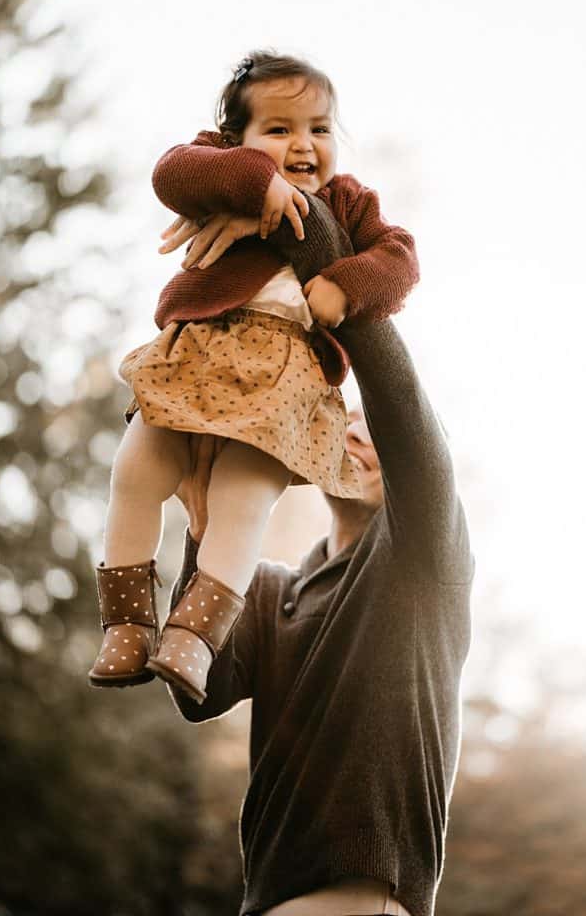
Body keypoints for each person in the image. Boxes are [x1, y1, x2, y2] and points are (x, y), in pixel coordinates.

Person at [166, 195, 474, 916]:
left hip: (360, 897)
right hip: (268, 900)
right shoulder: (273, 589)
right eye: (345, 425)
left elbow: (398, 401)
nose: (358, 435)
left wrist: (297, 221)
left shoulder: (421, 560)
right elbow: (200, 692)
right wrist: (204, 524)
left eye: (374, 432)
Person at [88, 50, 419, 708]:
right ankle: (127, 622)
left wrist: (344, 285)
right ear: (235, 136)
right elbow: (172, 170)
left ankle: (196, 635)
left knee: (242, 501)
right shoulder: (220, 168)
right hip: (196, 360)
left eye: (319, 129)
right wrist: (256, 183)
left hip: (283, 384)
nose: (303, 144)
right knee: (136, 471)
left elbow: (400, 260)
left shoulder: (347, 202)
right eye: (278, 128)